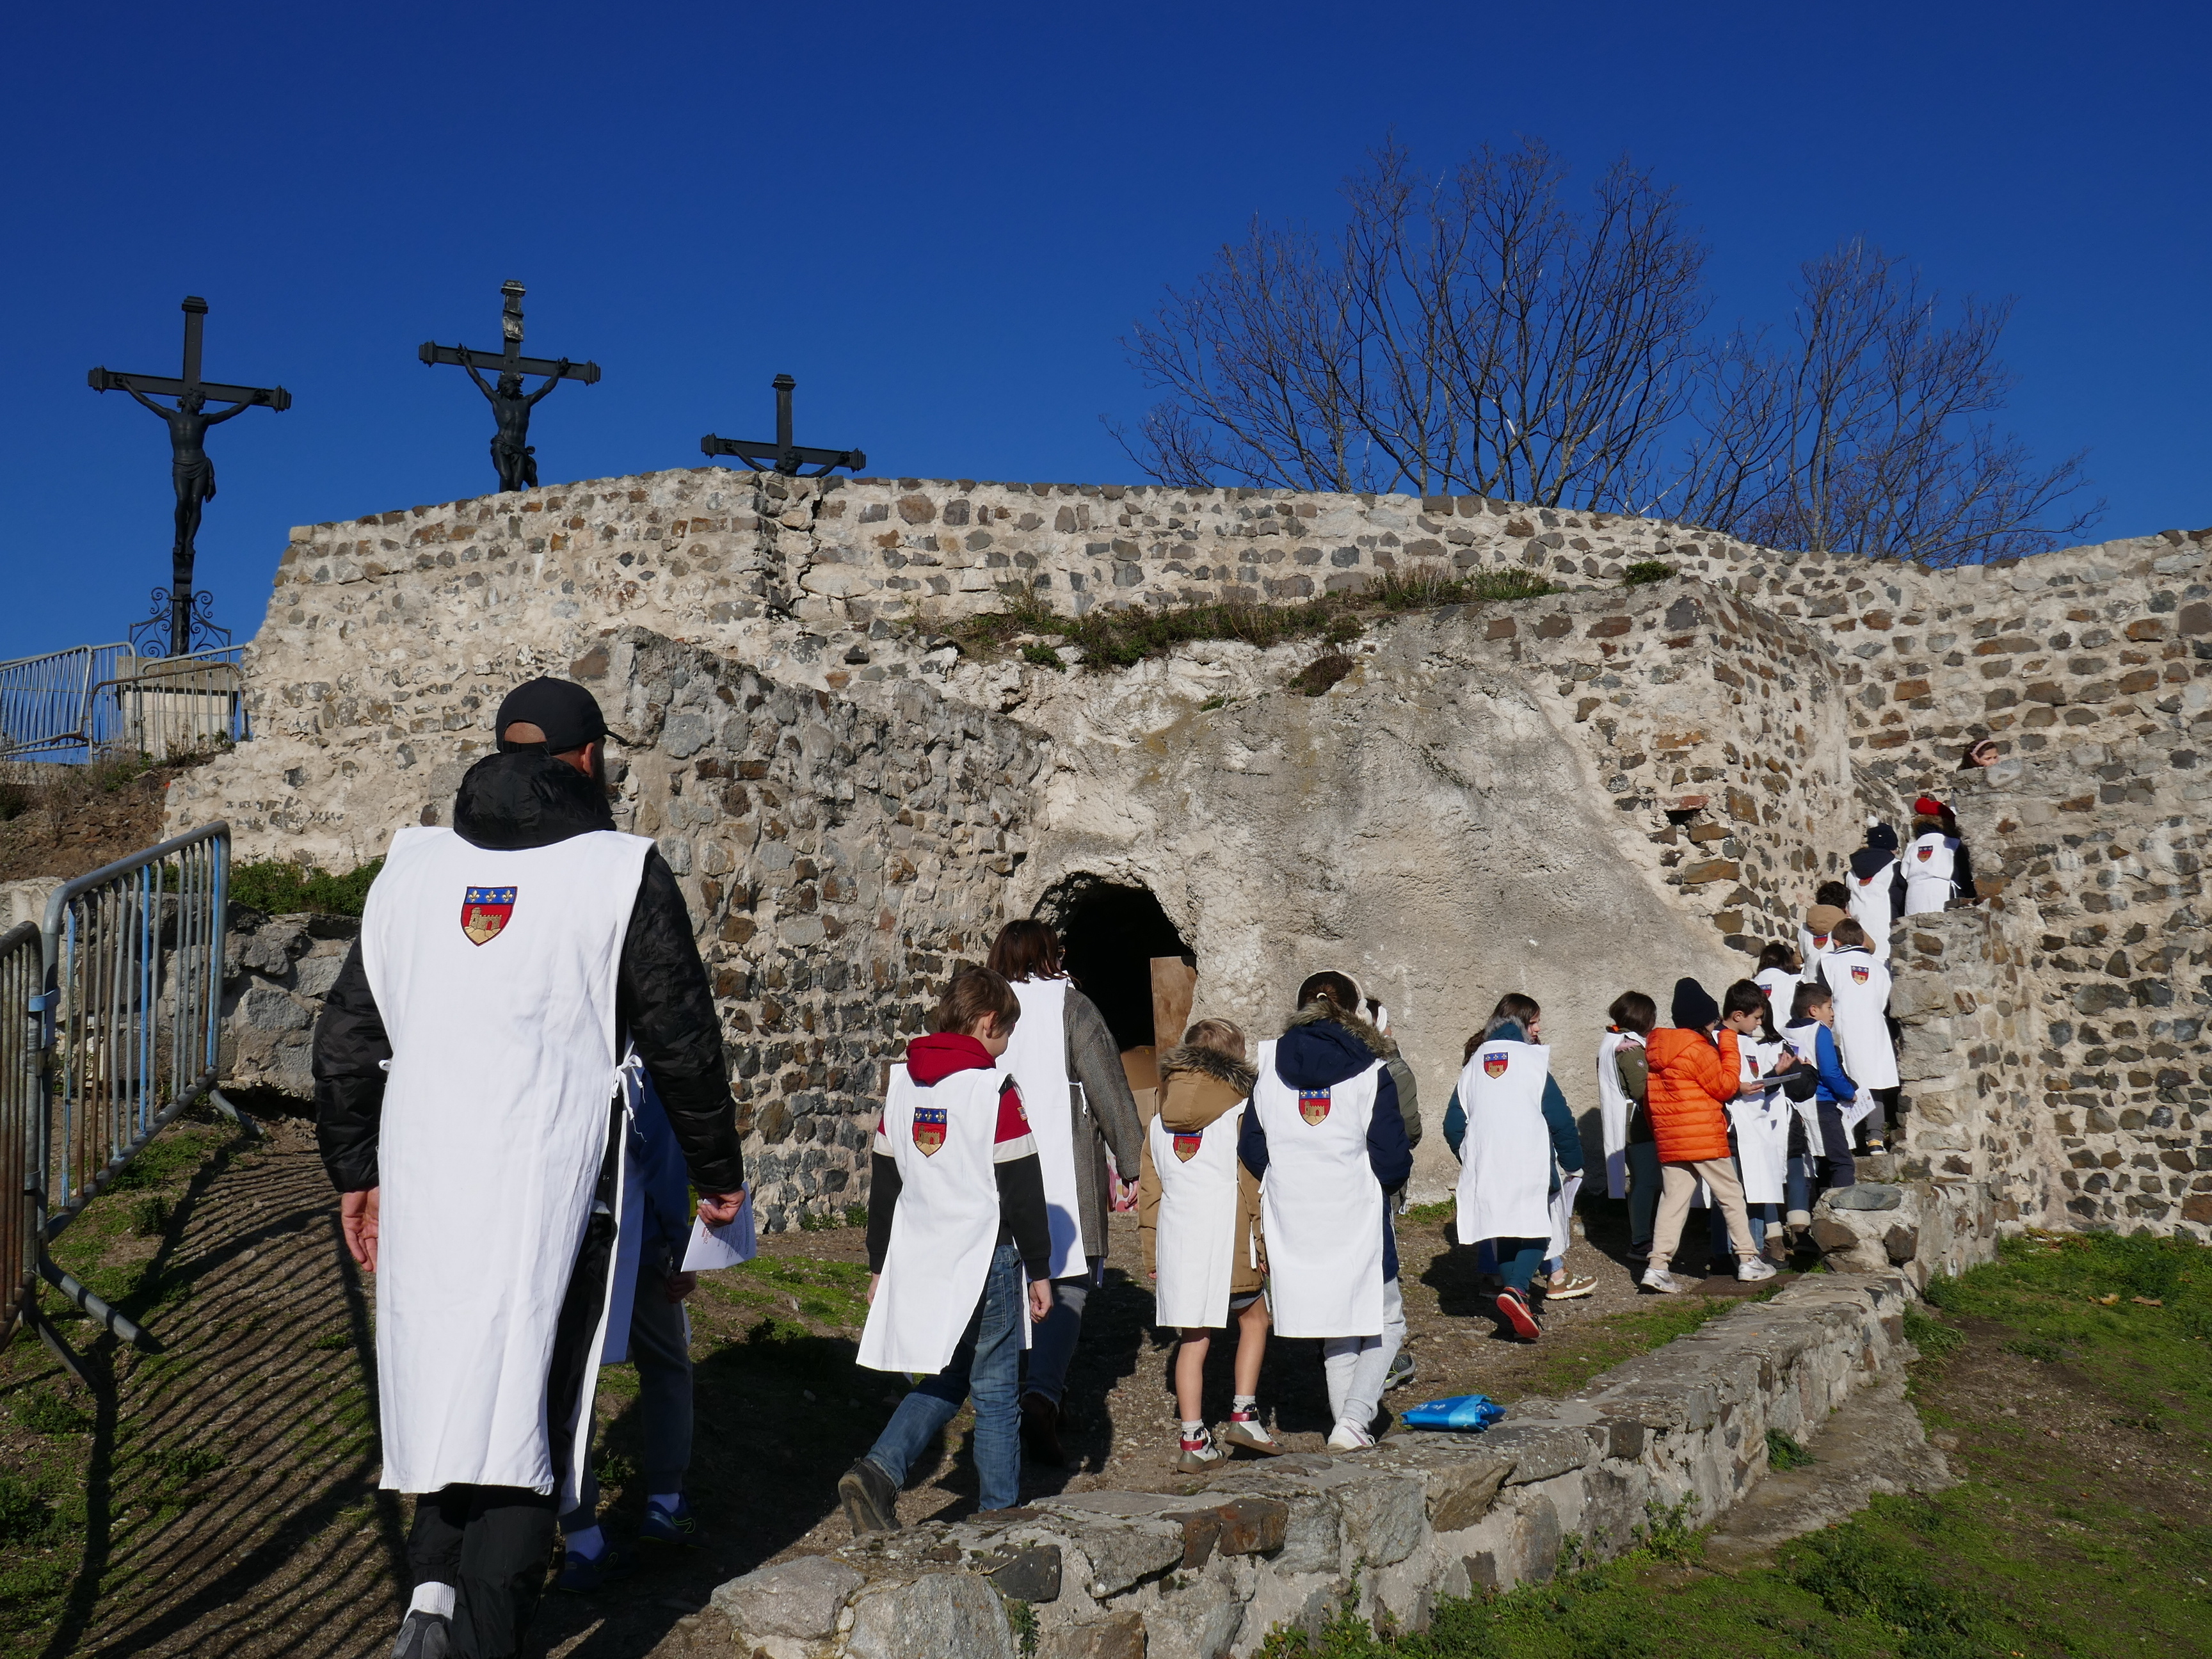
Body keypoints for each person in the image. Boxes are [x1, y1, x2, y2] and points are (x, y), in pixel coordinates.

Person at [313, 677, 746, 1659]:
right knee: (532, 1421)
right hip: (557, 1188)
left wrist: (357, 1169)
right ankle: (485, 1639)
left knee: (455, 1386)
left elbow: (344, 1044)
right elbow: (682, 1039)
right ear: (589, 759)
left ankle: (428, 1599)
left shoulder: (412, 870)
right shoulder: (620, 870)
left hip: (429, 1181)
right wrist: (717, 1170)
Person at [840, 967, 1054, 1533]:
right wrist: (1040, 1268)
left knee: (946, 1374)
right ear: (987, 1023)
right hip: (989, 1257)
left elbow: (885, 1184)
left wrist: (879, 1262)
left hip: (927, 1256)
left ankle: (879, 1471)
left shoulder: (904, 1085)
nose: (1006, 1045)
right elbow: (1022, 1188)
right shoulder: (994, 1090)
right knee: (997, 1393)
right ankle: (998, 1518)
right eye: (1005, 1033)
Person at [984, 920, 1144, 1467]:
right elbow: (1108, 1086)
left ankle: (1021, 1399)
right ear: (1049, 955)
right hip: (1061, 1168)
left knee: (1013, 1276)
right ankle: (1041, 1395)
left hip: (991, 1165)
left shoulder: (980, 1005)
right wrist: (1130, 1158)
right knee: (1068, 1282)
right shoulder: (1072, 1008)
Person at [1239, 975, 1413, 1450]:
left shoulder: (1270, 1063)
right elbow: (1392, 1157)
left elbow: (1252, 1145)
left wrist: (1291, 1178)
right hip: (1355, 1212)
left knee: (1337, 1328)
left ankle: (1346, 1429)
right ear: (1355, 1013)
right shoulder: (1371, 1069)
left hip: (1294, 1214)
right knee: (1386, 1321)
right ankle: (1355, 1420)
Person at [558, 1070, 702, 1591]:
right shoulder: (642, 1054)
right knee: (666, 1365)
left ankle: (580, 1537)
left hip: (560, 1242)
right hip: (631, 1240)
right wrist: (678, 1239)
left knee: (574, 1385)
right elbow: (662, 1154)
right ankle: (665, 1502)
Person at [1137, 1018, 1275, 1468]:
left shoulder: (1159, 1121)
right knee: (1255, 1320)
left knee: (1193, 1340)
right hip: (1228, 1239)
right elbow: (1252, 1185)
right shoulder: (1241, 1115)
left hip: (1179, 1243)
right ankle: (1244, 1414)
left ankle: (1193, 1441)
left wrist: (1150, 1251)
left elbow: (1150, 1192)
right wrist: (1263, 1243)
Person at [1447, 996, 1585, 1341]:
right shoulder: (1531, 1060)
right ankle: (1519, 1289)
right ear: (1521, 1022)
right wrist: (1574, 1162)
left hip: (1487, 1161)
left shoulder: (1475, 1062)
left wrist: (1473, 1157)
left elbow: (1452, 1125)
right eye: (1535, 1022)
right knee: (1541, 1227)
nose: (1539, 1030)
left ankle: (1515, 1298)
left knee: (1505, 1230)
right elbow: (1560, 1117)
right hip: (1529, 1159)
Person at [1639, 979, 1775, 1294]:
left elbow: (1650, 1100)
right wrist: (1727, 1043)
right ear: (1703, 1019)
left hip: (1671, 1137)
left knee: (1673, 1201)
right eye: (1713, 1020)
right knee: (1729, 1193)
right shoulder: (1698, 1049)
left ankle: (1657, 1267)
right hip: (1702, 1135)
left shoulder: (1657, 1050)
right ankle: (1749, 1259)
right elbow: (1725, 1086)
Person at [1710, 981, 1798, 1268]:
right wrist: (1736, 1089)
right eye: (1757, 1017)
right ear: (1738, 1015)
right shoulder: (1716, 1041)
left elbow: (1756, 1085)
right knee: (1730, 1195)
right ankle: (1729, 1254)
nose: (1761, 1023)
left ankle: (1754, 1250)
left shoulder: (1747, 1041)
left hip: (1756, 1126)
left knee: (1757, 1189)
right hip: (1732, 1130)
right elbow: (1714, 1084)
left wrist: (1777, 1074)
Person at [1821, 918, 1900, 1153]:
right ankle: (1875, 1139)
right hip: (1875, 1027)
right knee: (1874, 1081)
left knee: (1845, 1081)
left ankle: (1850, 1140)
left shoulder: (1830, 963)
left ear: (1836, 942)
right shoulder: (1879, 967)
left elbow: (1822, 996)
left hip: (1843, 1027)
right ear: (1862, 940)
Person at [1594, 991, 1659, 1265]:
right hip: (1638, 1124)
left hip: (1627, 1122)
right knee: (1646, 1182)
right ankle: (1641, 1240)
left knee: (1643, 1183)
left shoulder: (1613, 1042)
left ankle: (1643, 1236)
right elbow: (1642, 1088)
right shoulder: (1630, 1047)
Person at [1781, 982, 1861, 1202]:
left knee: (1814, 1165)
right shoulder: (1819, 1031)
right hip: (1822, 1104)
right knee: (1841, 1162)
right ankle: (1847, 1212)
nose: (1833, 1014)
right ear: (1813, 1010)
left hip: (1796, 1105)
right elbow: (1830, 1072)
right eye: (1829, 1007)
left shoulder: (1785, 1031)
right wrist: (1849, 1093)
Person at [1903, 795, 1976, 913]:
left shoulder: (1912, 847)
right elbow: (1962, 875)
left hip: (1914, 895)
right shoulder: (1953, 844)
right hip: (1942, 892)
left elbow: (1903, 875)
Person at [1845, 820, 1903, 957]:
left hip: (1857, 941)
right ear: (1892, 847)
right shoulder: (1896, 867)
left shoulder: (1851, 872)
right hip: (1885, 941)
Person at [1799, 896, 1850, 988]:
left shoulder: (1804, 929)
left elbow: (1797, 960)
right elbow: (1870, 946)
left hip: (1810, 984)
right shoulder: (1845, 926)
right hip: (1834, 983)